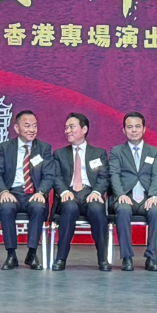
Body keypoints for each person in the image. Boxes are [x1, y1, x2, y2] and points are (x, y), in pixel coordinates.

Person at [0, 110, 52, 270]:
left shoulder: (44, 148)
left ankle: (32, 254)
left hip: (34, 193)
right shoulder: (5, 148)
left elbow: (49, 175)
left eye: (34, 126)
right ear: (17, 128)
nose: (32, 130)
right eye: (27, 126)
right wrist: (3, 192)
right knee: (6, 208)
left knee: (38, 207)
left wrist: (41, 192)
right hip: (13, 192)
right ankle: (11, 255)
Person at [50, 112, 110, 271]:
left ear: (84, 129)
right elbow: (55, 177)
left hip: (90, 192)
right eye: (66, 128)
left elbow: (104, 177)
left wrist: (97, 192)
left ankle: (103, 259)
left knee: (97, 209)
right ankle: (60, 258)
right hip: (69, 193)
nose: (67, 131)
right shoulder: (59, 154)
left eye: (72, 127)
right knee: (69, 208)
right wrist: (64, 191)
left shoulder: (99, 153)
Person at [107, 111, 157, 271]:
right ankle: (127, 257)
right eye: (130, 127)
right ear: (124, 130)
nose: (134, 130)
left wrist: (153, 196)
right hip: (126, 196)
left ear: (144, 129)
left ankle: (152, 257)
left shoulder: (155, 152)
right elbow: (114, 175)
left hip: (147, 197)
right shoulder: (116, 151)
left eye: (137, 126)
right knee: (123, 210)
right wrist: (120, 195)